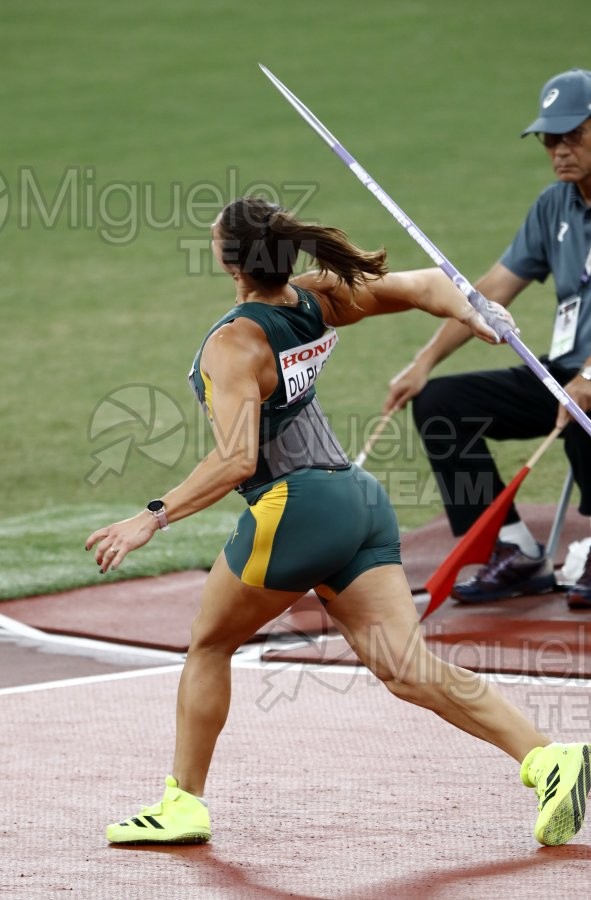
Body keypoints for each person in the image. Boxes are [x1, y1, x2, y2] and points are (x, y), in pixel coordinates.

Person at [87, 195, 590, 848]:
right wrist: (474, 310)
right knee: (406, 667)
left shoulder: (234, 342)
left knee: (209, 643)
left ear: (228, 261)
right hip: (359, 504)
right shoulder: (316, 298)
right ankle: (548, 759)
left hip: (296, 509)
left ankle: (181, 804)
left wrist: (153, 516)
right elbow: (424, 285)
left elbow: (238, 459)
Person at [386, 68, 591, 608]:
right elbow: (490, 291)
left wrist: (589, 378)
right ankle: (513, 548)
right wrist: (423, 361)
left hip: (585, 383)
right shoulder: (555, 206)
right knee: (443, 405)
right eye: (550, 138)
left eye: (572, 135)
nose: (558, 150)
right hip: (564, 375)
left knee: (580, 401)